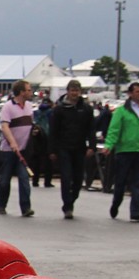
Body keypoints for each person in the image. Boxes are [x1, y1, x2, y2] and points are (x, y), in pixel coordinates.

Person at [102, 81, 139, 223]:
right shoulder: (122, 111)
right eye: (138, 92)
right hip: (125, 150)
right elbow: (114, 130)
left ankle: (136, 212)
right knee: (120, 181)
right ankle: (116, 204)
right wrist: (109, 145)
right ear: (130, 94)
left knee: (138, 182)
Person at [48, 80, 96, 219]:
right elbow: (54, 131)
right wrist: (52, 150)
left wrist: (92, 146)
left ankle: (72, 199)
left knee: (78, 178)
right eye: (72, 91)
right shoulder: (59, 109)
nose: (74, 93)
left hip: (80, 147)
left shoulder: (86, 109)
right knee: (66, 177)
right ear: (67, 92)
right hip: (64, 147)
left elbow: (91, 129)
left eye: (77, 91)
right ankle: (67, 206)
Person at [0, 79, 35, 216]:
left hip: (23, 150)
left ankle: (26, 208)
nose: (31, 92)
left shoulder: (29, 106)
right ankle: (1, 205)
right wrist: (13, 143)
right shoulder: (8, 107)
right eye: (29, 90)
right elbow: (5, 126)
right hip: (9, 150)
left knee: (24, 178)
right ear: (21, 92)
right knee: (5, 180)